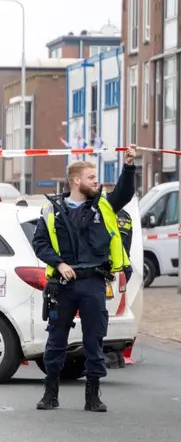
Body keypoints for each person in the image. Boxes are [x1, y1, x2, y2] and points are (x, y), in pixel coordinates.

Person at [32, 146, 137, 412]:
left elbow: (124, 193)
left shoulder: (103, 205)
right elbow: (41, 244)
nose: (96, 182)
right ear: (76, 180)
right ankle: (50, 393)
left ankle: (93, 396)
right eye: (91, 177)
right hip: (63, 285)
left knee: (94, 339)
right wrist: (59, 263)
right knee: (56, 339)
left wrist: (129, 167)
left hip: (93, 282)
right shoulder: (51, 209)